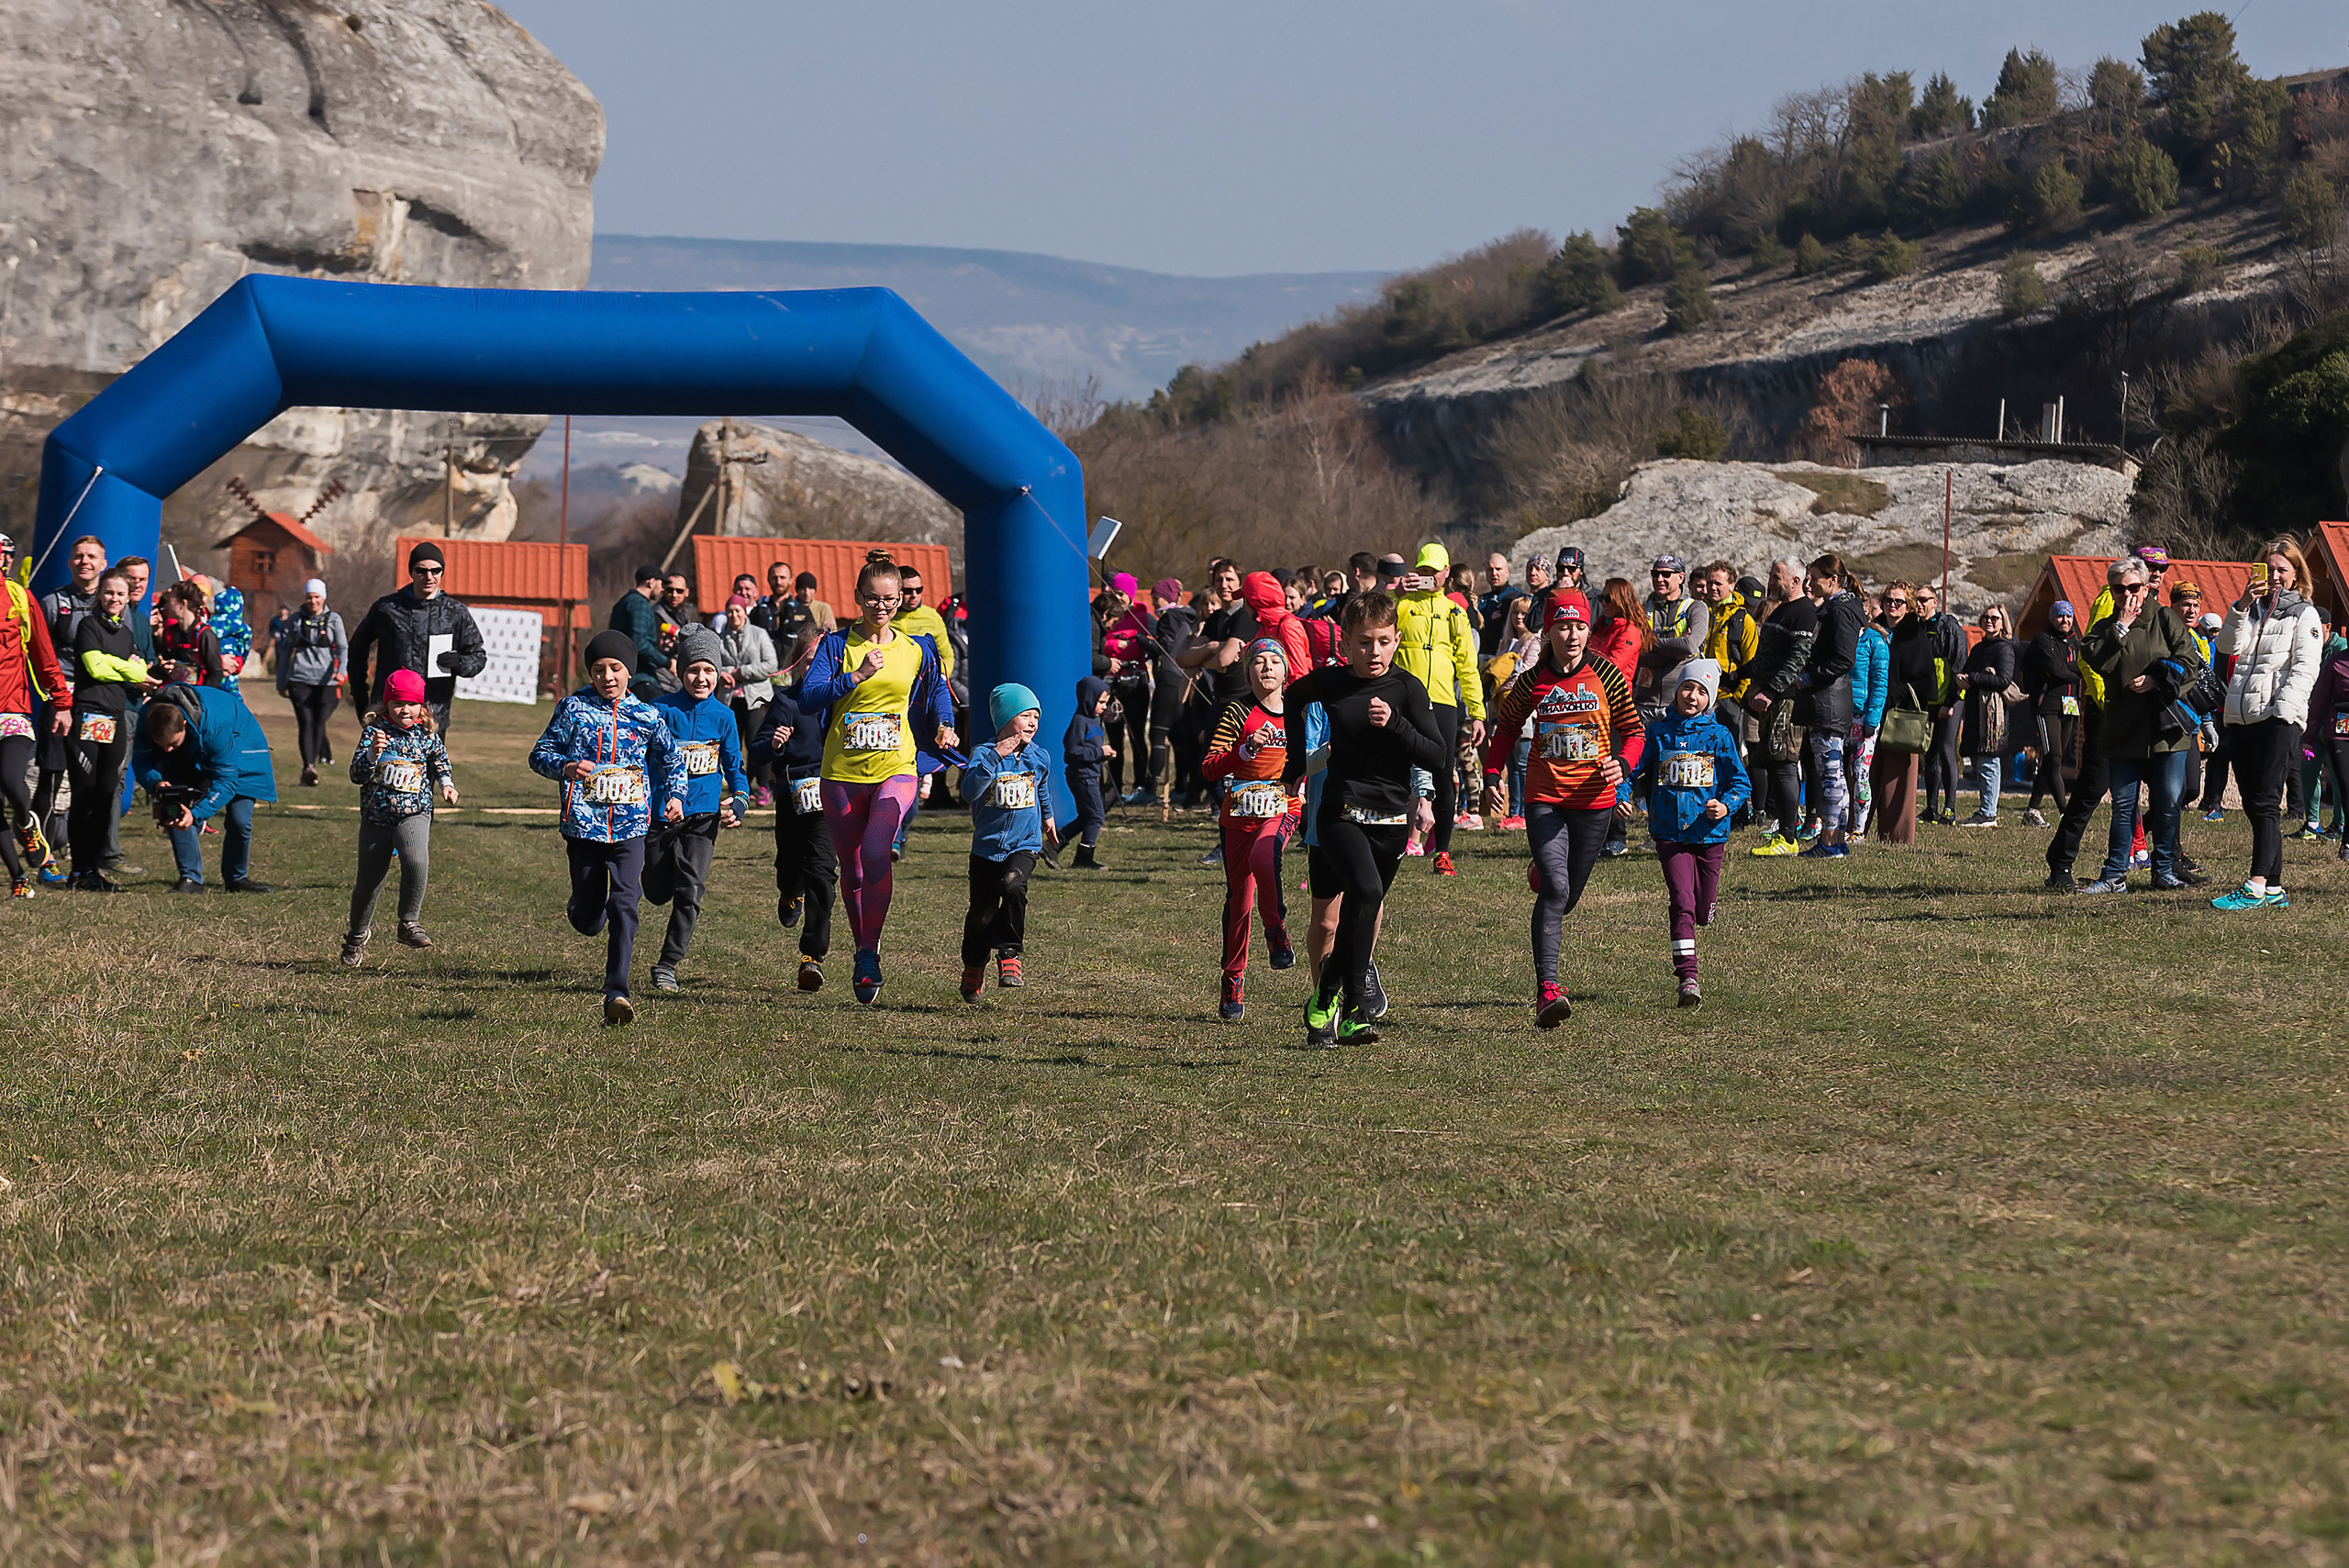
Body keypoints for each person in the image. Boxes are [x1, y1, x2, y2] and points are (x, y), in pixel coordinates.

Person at [1284, 591, 1448, 1046]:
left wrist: (1396, 724)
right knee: (1367, 892)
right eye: (1363, 642)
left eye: (1383, 642)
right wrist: (1295, 762)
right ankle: (1356, 1009)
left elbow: (1437, 756)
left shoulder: (1407, 689)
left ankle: (1326, 992)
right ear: (1346, 642)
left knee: (1361, 910)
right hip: (1341, 810)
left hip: (1392, 820)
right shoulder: (1331, 682)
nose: (1374, 652)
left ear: (1396, 640)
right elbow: (1292, 699)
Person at [797, 549, 958, 1005]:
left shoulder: (916, 647)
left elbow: (937, 691)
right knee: (851, 870)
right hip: (841, 773)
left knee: (875, 851)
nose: (881, 606)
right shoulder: (836, 645)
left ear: (900, 598)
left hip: (897, 767)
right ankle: (863, 948)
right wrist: (855, 676)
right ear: (857, 597)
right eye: (872, 598)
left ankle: (869, 951)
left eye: (890, 598)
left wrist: (945, 724)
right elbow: (808, 699)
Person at [1480, 589, 1643, 1027]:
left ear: (1589, 630)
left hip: (1594, 801)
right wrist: (1492, 775)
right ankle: (1547, 990)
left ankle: (1544, 871)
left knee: (1566, 897)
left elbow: (1634, 732)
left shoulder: (1607, 675)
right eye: (1563, 627)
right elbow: (1505, 729)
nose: (1572, 635)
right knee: (1555, 889)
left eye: (1579, 627)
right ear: (1548, 631)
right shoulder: (1533, 680)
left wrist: (1623, 763)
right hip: (1546, 798)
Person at [529, 630, 687, 1026]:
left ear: (629, 672)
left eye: (615, 668)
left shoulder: (647, 715)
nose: (607, 677)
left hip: (631, 826)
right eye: (599, 670)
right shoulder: (573, 708)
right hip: (583, 826)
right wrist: (566, 767)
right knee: (589, 919)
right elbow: (539, 754)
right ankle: (583, 909)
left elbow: (672, 760)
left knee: (624, 903)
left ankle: (617, 990)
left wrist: (675, 796)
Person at [2075, 556, 2203, 894]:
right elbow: (2096, 660)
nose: (2127, 595)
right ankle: (2114, 875)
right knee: (2123, 805)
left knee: (2168, 801)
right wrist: (2120, 628)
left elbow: (2189, 661)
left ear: (2146, 588)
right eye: (2119, 589)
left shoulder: (2165, 618)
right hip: (2123, 728)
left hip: (2166, 727)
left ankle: (2164, 870)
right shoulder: (2107, 626)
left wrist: (2158, 680)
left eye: (2133, 587)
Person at [2210, 538, 2324, 909]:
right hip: (2242, 716)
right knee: (2252, 802)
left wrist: (2284, 710)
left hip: (2278, 718)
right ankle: (2273, 887)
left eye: (2282, 570)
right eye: (2268, 568)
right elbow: (2228, 647)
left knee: (2267, 800)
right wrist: (2242, 605)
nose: (2274, 576)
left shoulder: (2304, 614)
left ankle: (2255, 886)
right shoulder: (2252, 610)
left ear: (2296, 575)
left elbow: (2306, 667)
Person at [643, 626, 749, 994]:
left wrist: (739, 800)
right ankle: (663, 876)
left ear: (718, 674)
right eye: (693, 670)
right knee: (656, 891)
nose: (701, 678)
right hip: (661, 815)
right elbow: (639, 760)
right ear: (680, 671)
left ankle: (667, 964)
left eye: (708, 670)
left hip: (703, 818)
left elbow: (735, 768)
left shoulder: (724, 717)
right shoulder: (660, 710)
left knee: (691, 890)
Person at [1201, 639, 1297, 1021]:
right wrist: (1244, 750)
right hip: (1239, 814)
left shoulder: (1299, 711)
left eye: (1275, 660)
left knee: (1264, 855)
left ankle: (1275, 928)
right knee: (1240, 903)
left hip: (1282, 805)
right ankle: (1233, 979)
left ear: (1286, 671)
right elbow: (1210, 767)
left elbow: (1317, 752)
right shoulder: (1238, 711)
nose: (1267, 667)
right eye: (1259, 661)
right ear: (1248, 672)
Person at [1645, 659, 1751, 1007]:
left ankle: (1705, 909)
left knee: (1702, 910)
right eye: (1687, 688)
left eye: (1702, 691)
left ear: (1711, 699)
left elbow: (1741, 783)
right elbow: (1634, 769)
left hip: (1710, 835)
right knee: (1682, 901)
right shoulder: (1658, 733)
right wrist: (1620, 795)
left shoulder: (1719, 736)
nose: (1692, 696)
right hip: (1669, 833)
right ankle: (1688, 978)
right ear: (1677, 691)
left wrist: (1725, 805)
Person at [339, 668, 457, 963]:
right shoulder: (374, 733)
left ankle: (409, 922)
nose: (405, 710)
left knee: (416, 860)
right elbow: (356, 775)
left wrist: (447, 784)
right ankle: (356, 936)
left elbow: (440, 761)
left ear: (421, 706)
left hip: (415, 812)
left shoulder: (426, 735)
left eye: (411, 704)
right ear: (387, 704)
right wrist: (372, 755)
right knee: (368, 885)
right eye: (398, 703)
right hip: (377, 816)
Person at [956, 683, 1060, 1003]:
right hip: (986, 848)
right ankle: (974, 965)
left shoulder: (1039, 757)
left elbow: (1041, 788)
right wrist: (995, 757)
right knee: (981, 914)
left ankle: (1010, 952)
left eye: (1036, 717)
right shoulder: (983, 754)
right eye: (1025, 716)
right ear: (1005, 718)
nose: (1033, 723)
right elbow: (969, 791)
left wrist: (1048, 818)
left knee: (1013, 886)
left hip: (1024, 843)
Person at [134, 680, 278, 894]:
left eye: (172, 744)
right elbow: (141, 760)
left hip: (239, 745)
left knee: (239, 819)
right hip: (192, 749)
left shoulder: (215, 725)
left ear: (184, 724)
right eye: (161, 745)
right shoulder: (148, 718)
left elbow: (227, 781)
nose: (167, 750)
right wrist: (156, 782)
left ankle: (236, 879)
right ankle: (190, 879)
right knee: (175, 805)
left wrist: (196, 814)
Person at [752, 628, 836, 993]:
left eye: (823, 661)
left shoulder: (840, 702)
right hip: (792, 797)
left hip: (829, 799)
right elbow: (757, 750)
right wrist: (773, 743)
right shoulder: (786, 701)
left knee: (822, 872)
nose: (816, 667)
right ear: (796, 663)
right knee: (789, 864)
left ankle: (811, 957)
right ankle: (790, 891)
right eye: (810, 659)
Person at [64, 569, 150, 892]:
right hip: (89, 714)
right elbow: (95, 668)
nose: (114, 598)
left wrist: (119, 666)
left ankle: (92, 869)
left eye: (120, 594)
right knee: (84, 796)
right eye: (109, 592)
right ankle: (78, 871)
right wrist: (127, 669)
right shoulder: (88, 625)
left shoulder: (126, 633)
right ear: (100, 593)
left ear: (128, 598)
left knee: (105, 796)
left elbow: (139, 672)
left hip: (116, 717)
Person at [348, 542, 488, 733]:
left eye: (435, 570)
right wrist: (359, 692)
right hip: (389, 714)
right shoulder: (387, 609)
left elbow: (477, 656)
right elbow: (357, 647)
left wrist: (460, 663)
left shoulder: (456, 613)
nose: (429, 577)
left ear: (442, 572)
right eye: (421, 570)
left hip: (433, 715)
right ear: (411, 572)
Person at [0, 553, 71, 895]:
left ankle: (27, 824)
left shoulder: (19, 598)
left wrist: (62, 702)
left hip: (11, 710)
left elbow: (44, 653)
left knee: (11, 780)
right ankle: (19, 878)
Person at [1742, 562, 1817, 856]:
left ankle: (1788, 838)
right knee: (1773, 763)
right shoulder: (1780, 610)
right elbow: (1767, 656)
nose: (1770, 581)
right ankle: (1784, 827)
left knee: (1785, 763)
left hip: (1786, 699)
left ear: (1795, 580)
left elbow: (1798, 658)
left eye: (1777, 577)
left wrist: (1771, 691)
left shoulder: (1804, 612)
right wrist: (1738, 675)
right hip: (1767, 697)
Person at [1872, 582, 1933, 849]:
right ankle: (1856, 830)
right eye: (1888, 600)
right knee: (1865, 774)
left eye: (1899, 601)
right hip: (1871, 712)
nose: (1892, 606)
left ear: (1908, 606)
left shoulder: (1914, 635)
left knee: (1898, 779)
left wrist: (1894, 693)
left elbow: (1925, 681)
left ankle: (1896, 837)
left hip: (1901, 717)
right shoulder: (1872, 631)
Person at [276, 578, 348, 787]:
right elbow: (285, 651)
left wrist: (341, 671)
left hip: (327, 682)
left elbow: (343, 648)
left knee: (319, 722)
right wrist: (281, 681)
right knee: (306, 722)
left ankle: (312, 765)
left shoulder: (334, 619)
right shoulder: (295, 621)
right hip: (300, 679)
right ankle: (308, 767)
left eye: (316, 597)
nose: (313, 601)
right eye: (309, 597)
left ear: (323, 597)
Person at [1955, 604, 2019, 828]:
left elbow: (2003, 680)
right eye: (1986, 617)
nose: (1989, 621)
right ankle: (1985, 809)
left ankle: (1988, 813)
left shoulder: (2005, 649)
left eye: (1994, 618)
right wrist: (1960, 678)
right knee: (1979, 761)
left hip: (1993, 716)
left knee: (1989, 761)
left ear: (2003, 623)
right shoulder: (1979, 648)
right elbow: (1966, 671)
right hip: (1975, 711)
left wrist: (1972, 678)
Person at [2021, 602, 2081, 827]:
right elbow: (2056, 669)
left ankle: (2032, 811)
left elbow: (2081, 667)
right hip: (2046, 705)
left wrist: (2068, 670)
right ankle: (2066, 813)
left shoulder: (2075, 643)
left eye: (2068, 616)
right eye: (2060, 616)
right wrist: (2072, 671)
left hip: (2070, 705)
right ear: (2052, 618)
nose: (2065, 620)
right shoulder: (2042, 640)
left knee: (2053, 759)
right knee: (2054, 756)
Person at [1913, 583, 1968, 823]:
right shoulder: (1917, 628)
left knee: (1947, 751)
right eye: (1917, 599)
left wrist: (1951, 701)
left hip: (1950, 700)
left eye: (1924, 599)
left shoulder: (1950, 627)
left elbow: (1959, 665)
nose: (1919, 604)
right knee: (1930, 753)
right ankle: (1931, 808)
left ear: (1934, 602)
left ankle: (1950, 808)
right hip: (1928, 703)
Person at [714, 595, 777, 803]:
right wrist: (725, 672)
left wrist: (742, 672)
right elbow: (714, 665)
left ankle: (764, 785)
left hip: (756, 697)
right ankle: (740, 786)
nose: (734, 615)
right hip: (730, 699)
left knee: (755, 741)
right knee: (732, 744)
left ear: (745, 613)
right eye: (730, 611)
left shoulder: (759, 634)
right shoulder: (719, 638)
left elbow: (770, 664)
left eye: (738, 611)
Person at [2304, 616, 2349, 865]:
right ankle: (2347, 840)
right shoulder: (2336, 662)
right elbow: (2319, 701)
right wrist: (2309, 738)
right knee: (2346, 785)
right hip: (2339, 732)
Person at [1849, 584, 1889, 838]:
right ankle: (1835, 824)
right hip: (1839, 713)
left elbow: (1879, 683)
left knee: (1860, 773)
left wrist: (1872, 719)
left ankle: (1859, 829)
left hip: (1863, 716)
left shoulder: (1876, 641)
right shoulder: (1841, 635)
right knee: (1836, 773)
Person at [1063, 675, 1115, 868]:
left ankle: (1053, 846)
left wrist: (1103, 755)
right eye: (1101, 702)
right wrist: (1100, 752)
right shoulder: (1080, 721)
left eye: (1106, 703)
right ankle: (1083, 858)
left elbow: (1090, 749)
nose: (1104, 707)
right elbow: (1073, 750)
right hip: (1082, 776)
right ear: (1088, 699)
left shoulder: (1095, 721)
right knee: (1096, 816)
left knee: (1086, 816)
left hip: (1091, 774)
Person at [608, 565, 671, 701]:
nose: (662, 589)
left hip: (625, 676)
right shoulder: (640, 604)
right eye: (661, 584)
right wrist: (667, 662)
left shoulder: (623, 603)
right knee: (660, 709)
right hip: (640, 677)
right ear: (651, 582)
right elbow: (639, 643)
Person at [155, 581, 225, 687]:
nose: (166, 606)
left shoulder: (204, 635)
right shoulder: (170, 631)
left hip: (197, 692)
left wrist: (201, 694)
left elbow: (216, 672)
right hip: (172, 690)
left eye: (170, 601)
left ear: (183, 604)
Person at [210, 582, 252, 693]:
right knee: (233, 695)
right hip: (232, 662)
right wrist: (240, 660)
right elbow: (246, 644)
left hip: (213, 667)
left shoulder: (210, 624)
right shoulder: (241, 625)